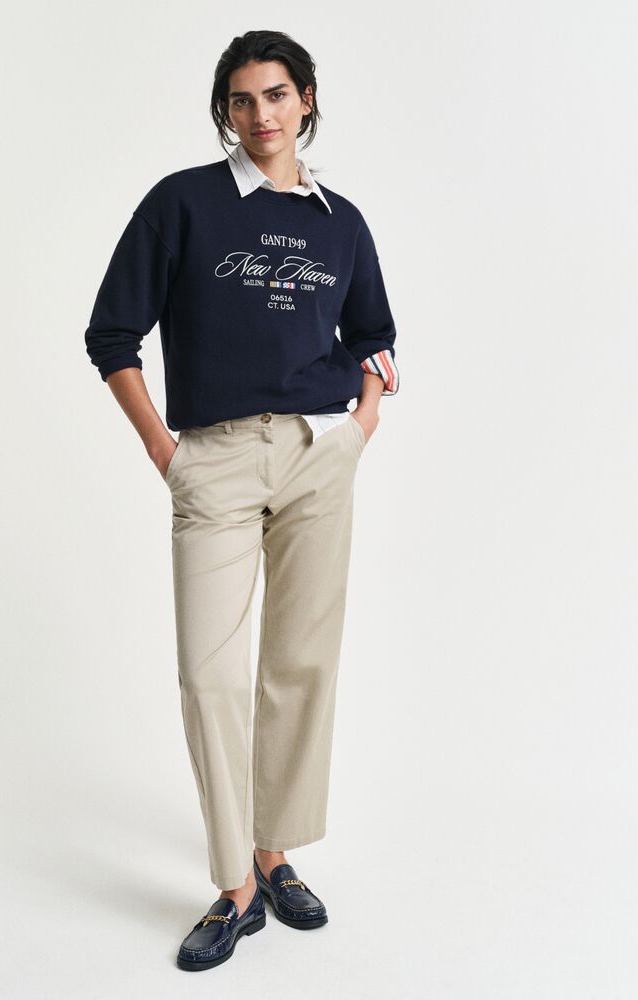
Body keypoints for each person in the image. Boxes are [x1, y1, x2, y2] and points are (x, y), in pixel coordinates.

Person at [84, 29, 399, 972]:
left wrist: (362, 425)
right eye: (242, 99)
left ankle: (275, 852)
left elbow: (375, 333)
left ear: (307, 99)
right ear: (226, 111)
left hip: (317, 453)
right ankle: (234, 885)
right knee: (210, 676)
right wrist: (164, 449)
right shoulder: (183, 203)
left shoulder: (341, 222)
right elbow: (111, 333)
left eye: (276, 94)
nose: (261, 114)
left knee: (301, 663)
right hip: (214, 460)